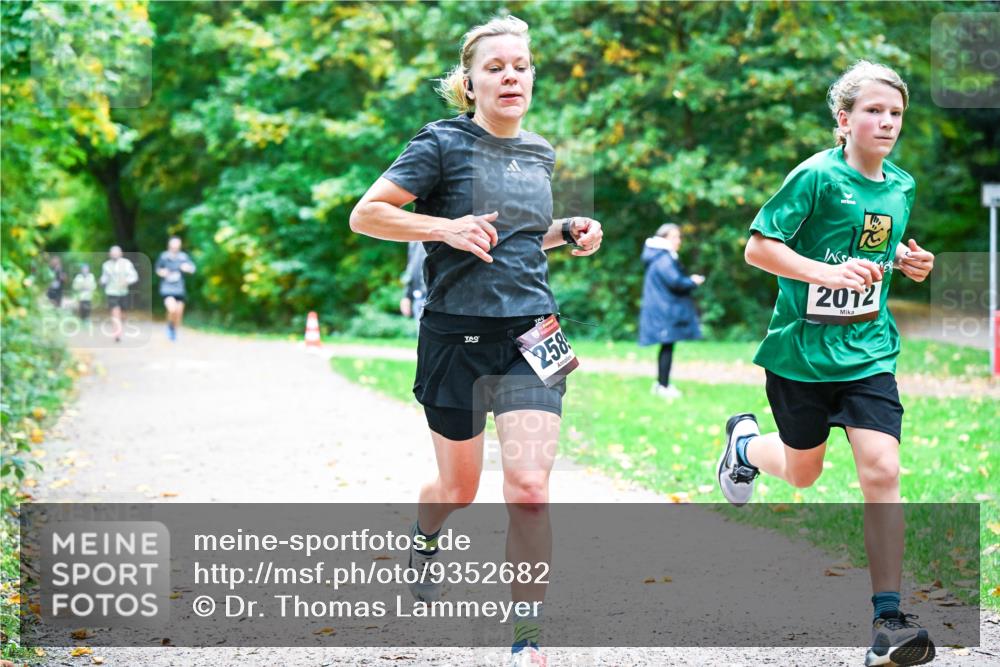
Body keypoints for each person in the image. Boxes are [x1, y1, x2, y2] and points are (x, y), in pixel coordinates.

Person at [350, 15, 602, 666]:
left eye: (520, 65)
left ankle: (527, 640)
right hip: (455, 337)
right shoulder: (440, 145)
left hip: (534, 332)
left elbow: (516, 236)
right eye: (495, 67)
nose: (510, 76)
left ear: (532, 76)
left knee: (529, 488)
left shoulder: (540, 151)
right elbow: (368, 213)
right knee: (458, 490)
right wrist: (445, 228)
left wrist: (566, 229)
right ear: (470, 81)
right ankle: (425, 532)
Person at [715, 61, 936, 667]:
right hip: (801, 355)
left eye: (895, 112)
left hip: (867, 352)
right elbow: (758, 247)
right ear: (844, 119)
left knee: (882, 470)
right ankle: (743, 448)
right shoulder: (815, 176)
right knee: (803, 473)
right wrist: (822, 272)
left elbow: (878, 255)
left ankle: (888, 619)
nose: (886, 121)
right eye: (873, 110)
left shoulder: (902, 186)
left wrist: (911, 265)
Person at [638, 223, 705, 400]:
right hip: (664, 310)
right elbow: (675, 282)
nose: (679, 240)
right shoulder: (663, 257)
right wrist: (693, 281)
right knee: (667, 347)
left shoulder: (658, 255)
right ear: (664, 239)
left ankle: (661, 383)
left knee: (667, 346)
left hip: (662, 308)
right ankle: (663, 386)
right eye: (675, 237)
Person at [155, 236, 196, 341]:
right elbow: (157, 269)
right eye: (173, 245)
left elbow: (192, 269)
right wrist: (162, 272)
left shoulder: (183, 257)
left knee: (178, 314)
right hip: (167, 289)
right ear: (169, 245)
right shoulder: (164, 256)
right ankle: (170, 326)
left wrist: (187, 268)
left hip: (179, 289)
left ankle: (173, 329)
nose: (175, 247)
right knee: (172, 309)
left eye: (177, 245)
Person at [100, 246, 139, 343]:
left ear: (121, 253)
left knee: (123, 314)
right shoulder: (106, 265)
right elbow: (104, 278)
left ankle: (119, 327)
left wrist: (127, 281)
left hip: (123, 292)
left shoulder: (127, 263)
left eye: (116, 252)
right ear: (109, 254)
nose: (114, 254)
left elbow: (134, 276)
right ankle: (117, 334)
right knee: (115, 312)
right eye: (112, 253)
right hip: (111, 292)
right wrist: (102, 281)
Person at [400, 241, 428, 322]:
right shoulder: (414, 240)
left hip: (439, 300)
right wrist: (406, 296)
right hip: (419, 300)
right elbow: (411, 268)